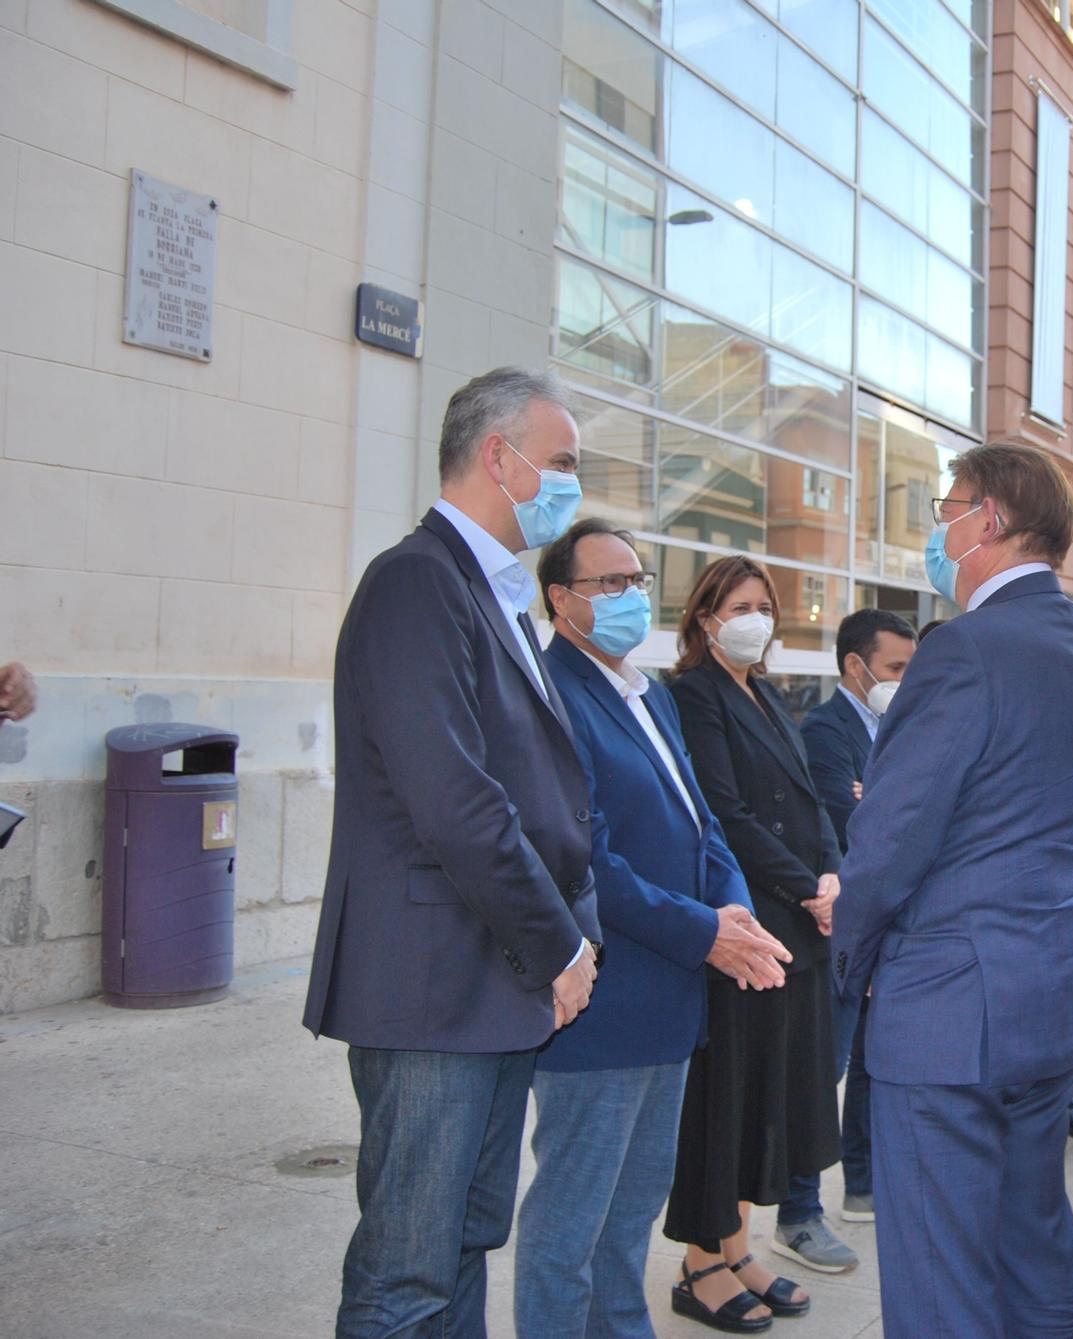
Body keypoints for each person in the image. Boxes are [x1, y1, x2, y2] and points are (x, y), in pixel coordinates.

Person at [301, 367, 603, 1336]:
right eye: (559, 461)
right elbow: (456, 801)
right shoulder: (417, 580)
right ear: (495, 455)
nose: (569, 483)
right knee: (406, 1271)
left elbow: (536, 789)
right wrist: (559, 944)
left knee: (464, 1242)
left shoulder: (487, 589)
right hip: (433, 988)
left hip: (488, 985)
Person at [832, 442, 1073, 1338]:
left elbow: (890, 835)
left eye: (946, 508)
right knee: (1030, 1249)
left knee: (939, 1273)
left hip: (953, 1012)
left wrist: (853, 959)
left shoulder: (965, 648)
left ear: (988, 520)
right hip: (1050, 994)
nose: (938, 530)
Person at [519, 519, 791, 1339]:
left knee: (631, 1216)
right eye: (607, 583)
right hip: (605, 1005)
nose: (628, 595)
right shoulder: (553, 692)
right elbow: (585, 856)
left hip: (672, 1004)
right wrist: (702, 930)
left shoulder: (650, 694)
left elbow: (705, 824)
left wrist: (732, 908)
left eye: (637, 579)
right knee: (571, 1226)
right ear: (560, 600)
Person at [664, 555, 846, 1319]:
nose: (756, 619)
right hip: (747, 924)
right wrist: (808, 888)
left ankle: (738, 1248)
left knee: (771, 1097)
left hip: (798, 928)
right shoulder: (693, 696)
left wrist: (835, 872)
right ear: (707, 618)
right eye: (740, 604)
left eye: (765, 605)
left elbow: (809, 802)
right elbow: (726, 814)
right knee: (729, 1098)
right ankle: (700, 1260)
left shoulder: (767, 696)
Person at [793, 608, 918, 1231]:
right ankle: (798, 1207)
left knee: (871, 1059)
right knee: (827, 1067)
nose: (905, 679)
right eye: (896, 667)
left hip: (884, 921)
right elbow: (850, 823)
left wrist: (881, 803)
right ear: (855, 664)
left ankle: (862, 1184)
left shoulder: (898, 728)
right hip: (836, 924)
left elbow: (904, 817)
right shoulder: (825, 729)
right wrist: (880, 808)